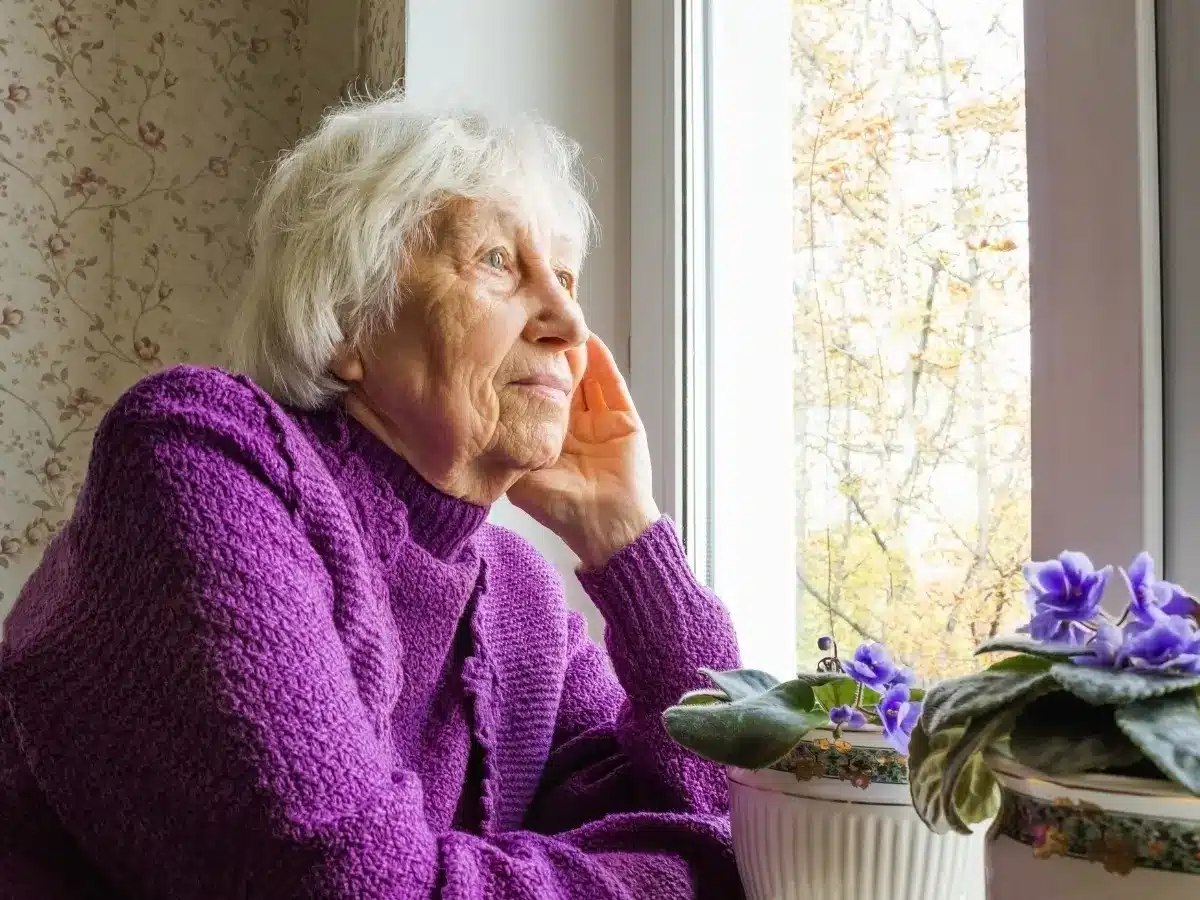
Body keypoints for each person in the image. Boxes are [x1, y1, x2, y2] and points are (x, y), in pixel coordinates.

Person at [0, 94, 745, 899]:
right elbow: (342, 880)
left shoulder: (518, 594)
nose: (568, 319)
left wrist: (630, 543)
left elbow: (724, 813)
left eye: (564, 275)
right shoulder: (203, 456)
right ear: (349, 319)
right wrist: (687, 876)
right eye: (496, 260)